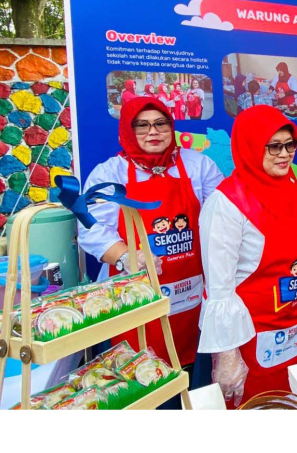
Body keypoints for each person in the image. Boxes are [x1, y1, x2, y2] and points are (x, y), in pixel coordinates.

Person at [77, 97, 224, 405]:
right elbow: (89, 228)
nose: (153, 132)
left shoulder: (198, 165)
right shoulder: (110, 173)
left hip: (192, 295)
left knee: (193, 380)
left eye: (161, 123)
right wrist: (127, 255)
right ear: (127, 131)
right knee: (142, 384)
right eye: (141, 125)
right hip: (134, 297)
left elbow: (222, 217)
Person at [197, 106, 297, 407]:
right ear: (250, 146)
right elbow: (218, 287)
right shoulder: (225, 203)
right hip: (251, 335)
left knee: (293, 400)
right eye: (274, 146)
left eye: (290, 145)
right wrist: (228, 354)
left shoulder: (292, 187)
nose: (284, 155)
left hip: (294, 325)